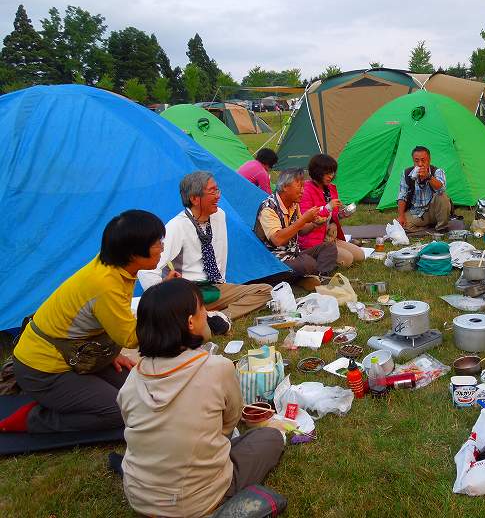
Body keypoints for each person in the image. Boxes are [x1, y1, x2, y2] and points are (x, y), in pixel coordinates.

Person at [116, 278, 284, 518]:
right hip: (195, 502)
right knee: (269, 438)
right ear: (190, 322)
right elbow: (229, 425)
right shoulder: (218, 368)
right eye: (202, 309)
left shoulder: (134, 376)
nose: (208, 313)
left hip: (139, 497)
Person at [2, 210, 178, 434]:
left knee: (138, 394)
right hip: (43, 369)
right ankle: (33, 419)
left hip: (78, 356)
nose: (162, 248)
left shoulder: (116, 266)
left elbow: (101, 319)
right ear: (133, 252)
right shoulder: (105, 284)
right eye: (156, 243)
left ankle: (70, 398)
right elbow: (132, 338)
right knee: (119, 412)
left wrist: (112, 353)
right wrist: (171, 310)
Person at [138, 172, 271, 324]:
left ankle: (216, 318)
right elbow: (146, 269)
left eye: (217, 190)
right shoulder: (177, 226)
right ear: (194, 199)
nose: (218, 196)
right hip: (189, 293)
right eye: (212, 191)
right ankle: (202, 317)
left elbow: (220, 255)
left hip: (215, 287)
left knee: (265, 291)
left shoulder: (219, 216)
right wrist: (161, 295)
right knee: (178, 308)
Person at [254, 168, 338, 282]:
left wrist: (314, 224)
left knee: (329, 247)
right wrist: (303, 220)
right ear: (285, 187)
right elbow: (277, 239)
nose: (303, 190)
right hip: (274, 259)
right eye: (299, 186)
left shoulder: (293, 204)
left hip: (294, 253)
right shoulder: (268, 208)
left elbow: (301, 231)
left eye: (303, 186)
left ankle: (318, 275)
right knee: (307, 263)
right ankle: (313, 274)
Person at [299, 154, 364, 268]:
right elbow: (306, 218)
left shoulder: (330, 188)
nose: (331, 176)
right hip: (313, 241)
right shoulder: (306, 190)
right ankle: (314, 258)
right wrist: (328, 207)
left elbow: (332, 216)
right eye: (327, 173)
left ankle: (329, 255)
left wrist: (338, 218)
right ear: (317, 171)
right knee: (347, 259)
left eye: (333, 172)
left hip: (329, 238)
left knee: (360, 255)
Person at [397, 146, 452, 233]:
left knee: (442, 196)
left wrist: (428, 176)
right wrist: (401, 216)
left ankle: (442, 227)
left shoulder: (437, 171)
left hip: (435, 211)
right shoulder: (407, 173)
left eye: (423, 160)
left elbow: (441, 189)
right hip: (417, 211)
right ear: (413, 161)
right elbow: (402, 196)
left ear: (429, 160)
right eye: (416, 161)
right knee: (401, 226)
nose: (420, 164)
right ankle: (428, 227)